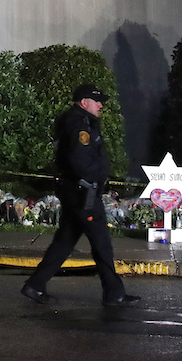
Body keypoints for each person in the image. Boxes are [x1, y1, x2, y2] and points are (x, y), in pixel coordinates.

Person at [21, 83, 140, 307]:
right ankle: (114, 294)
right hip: (83, 192)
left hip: (78, 191)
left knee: (65, 241)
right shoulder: (79, 124)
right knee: (102, 243)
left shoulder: (80, 121)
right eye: (97, 101)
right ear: (84, 102)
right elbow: (79, 159)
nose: (101, 105)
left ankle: (35, 285)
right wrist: (95, 178)